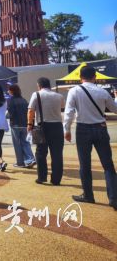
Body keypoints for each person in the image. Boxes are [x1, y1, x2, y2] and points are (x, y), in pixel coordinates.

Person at [64, 66, 117, 209]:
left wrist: (67, 129)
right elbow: (115, 109)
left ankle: (88, 195)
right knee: (108, 165)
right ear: (95, 77)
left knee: (85, 164)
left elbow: (69, 112)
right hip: (101, 128)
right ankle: (114, 198)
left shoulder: (74, 91)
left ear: (80, 77)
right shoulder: (102, 92)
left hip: (82, 129)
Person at [27, 77, 64, 185]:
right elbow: (62, 107)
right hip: (57, 126)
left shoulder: (36, 94)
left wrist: (29, 124)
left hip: (42, 126)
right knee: (57, 154)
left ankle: (42, 177)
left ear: (39, 85)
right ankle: (56, 180)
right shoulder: (59, 96)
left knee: (40, 153)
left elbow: (31, 110)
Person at [7, 84, 35, 168]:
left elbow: (11, 113)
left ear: (12, 91)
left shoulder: (11, 100)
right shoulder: (23, 100)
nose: (8, 91)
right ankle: (30, 159)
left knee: (17, 144)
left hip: (15, 124)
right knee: (25, 142)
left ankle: (20, 162)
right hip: (24, 124)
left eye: (9, 90)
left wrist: (7, 115)